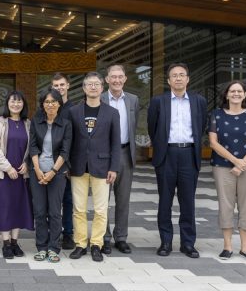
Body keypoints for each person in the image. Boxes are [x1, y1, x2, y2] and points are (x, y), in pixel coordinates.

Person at [148, 63, 207, 258]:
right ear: (168, 81)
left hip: (189, 154)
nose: (178, 78)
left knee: (187, 202)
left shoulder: (199, 101)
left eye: (182, 75)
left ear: (188, 79)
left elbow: (202, 126)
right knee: (165, 201)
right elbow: (152, 128)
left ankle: (188, 244)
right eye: (174, 75)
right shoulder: (159, 101)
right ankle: (166, 242)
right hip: (167, 155)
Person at [208, 81, 246, 262]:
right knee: (225, 205)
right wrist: (235, 161)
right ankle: (227, 247)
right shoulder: (216, 114)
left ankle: (245, 248)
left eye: (239, 91)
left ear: (245, 94)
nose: (236, 94)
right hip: (223, 167)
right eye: (232, 91)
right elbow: (213, 143)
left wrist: (244, 163)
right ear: (226, 95)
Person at [68, 72, 121, 262]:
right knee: (79, 209)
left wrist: (114, 167)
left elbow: (116, 143)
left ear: (102, 87)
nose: (93, 87)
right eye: (89, 84)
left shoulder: (112, 113)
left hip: (102, 166)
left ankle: (96, 244)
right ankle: (80, 244)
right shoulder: (73, 112)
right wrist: (67, 165)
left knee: (101, 210)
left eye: (96, 84)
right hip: (78, 166)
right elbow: (69, 141)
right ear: (83, 88)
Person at [0, 90, 34, 259]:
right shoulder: (0, 123)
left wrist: (27, 165)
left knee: (18, 207)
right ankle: (6, 244)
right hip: (3, 174)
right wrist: (8, 168)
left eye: (19, 101)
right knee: (4, 207)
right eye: (12, 101)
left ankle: (15, 242)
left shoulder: (27, 124)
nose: (16, 104)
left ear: (23, 104)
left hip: (21, 174)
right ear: (7, 104)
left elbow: (32, 148)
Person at [29, 89, 71, 263]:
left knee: (54, 212)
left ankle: (54, 248)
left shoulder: (66, 124)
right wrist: (38, 170)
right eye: (47, 102)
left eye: (54, 102)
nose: (50, 105)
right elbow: (32, 147)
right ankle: (41, 247)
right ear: (42, 105)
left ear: (59, 104)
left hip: (58, 173)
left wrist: (53, 172)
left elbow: (65, 151)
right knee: (39, 212)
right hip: (37, 173)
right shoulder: (36, 121)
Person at [101, 65, 139, 255]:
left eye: (120, 77)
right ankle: (104, 237)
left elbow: (134, 126)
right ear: (106, 79)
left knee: (123, 199)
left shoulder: (133, 100)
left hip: (125, 153)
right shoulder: (99, 98)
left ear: (125, 79)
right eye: (112, 77)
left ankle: (121, 238)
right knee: (103, 199)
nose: (116, 80)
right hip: (104, 155)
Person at [51, 72, 76, 250]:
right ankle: (53, 232)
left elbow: (78, 139)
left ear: (68, 86)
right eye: (56, 86)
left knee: (67, 200)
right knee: (51, 201)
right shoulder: (48, 107)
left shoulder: (75, 109)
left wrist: (70, 165)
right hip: (49, 163)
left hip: (67, 164)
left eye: (62, 85)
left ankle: (68, 234)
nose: (59, 88)